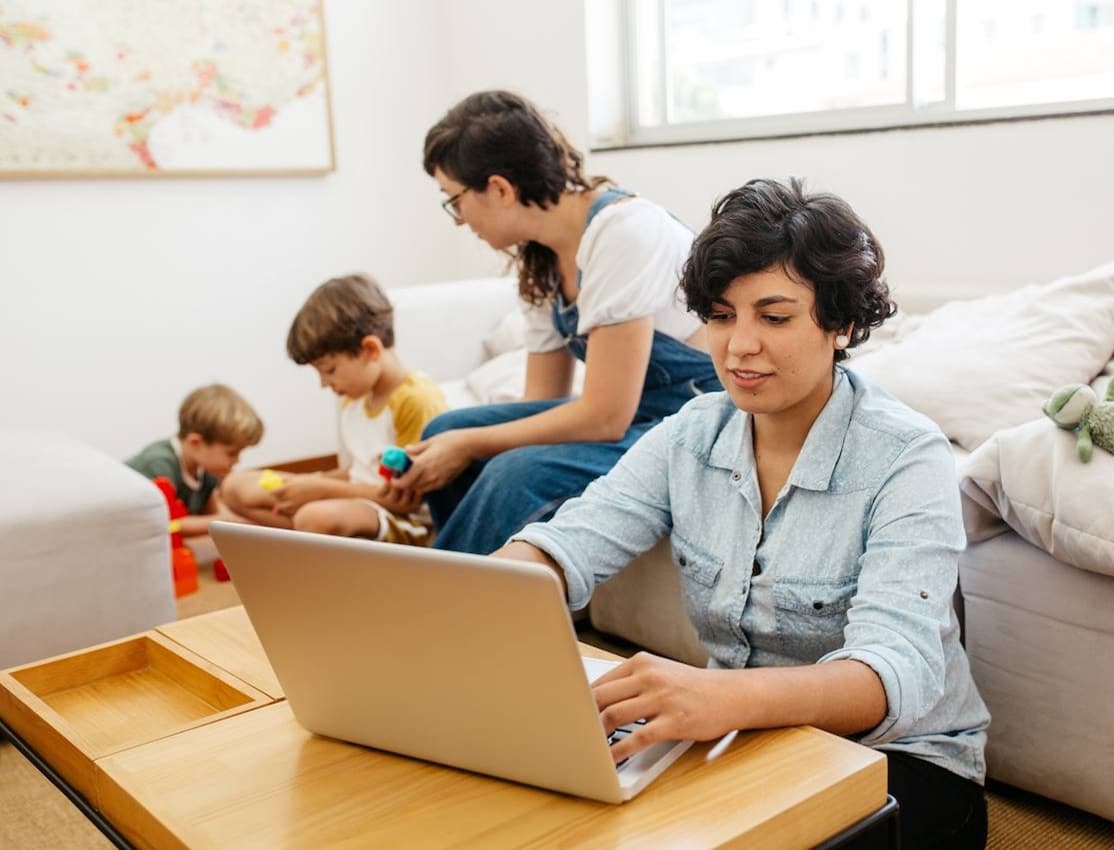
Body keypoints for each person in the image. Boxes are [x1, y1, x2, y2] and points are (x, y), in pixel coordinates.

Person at [494, 179, 990, 850]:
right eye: (723, 316)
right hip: (745, 739)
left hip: (905, 764)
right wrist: (499, 586)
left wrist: (714, 698)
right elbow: (573, 541)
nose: (738, 346)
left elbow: (887, 675)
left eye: (774, 317)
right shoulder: (692, 432)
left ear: (840, 324)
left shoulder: (907, 456)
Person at [387, 90, 720, 554]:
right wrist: (452, 447)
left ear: (500, 189)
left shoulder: (623, 230)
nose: (458, 220)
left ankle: (443, 608)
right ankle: (482, 590)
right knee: (442, 432)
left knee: (513, 474)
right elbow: (544, 402)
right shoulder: (540, 258)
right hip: (632, 417)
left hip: (693, 419)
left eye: (454, 200)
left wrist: (471, 445)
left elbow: (605, 416)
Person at [221, 274, 447, 546]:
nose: (324, 383)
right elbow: (360, 468)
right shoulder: (356, 398)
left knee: (314, 518)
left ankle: (314, 536)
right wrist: (310, 482)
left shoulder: (415, 400)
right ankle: (317, 541)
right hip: (355, 497)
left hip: (404, 519)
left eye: (329, 370)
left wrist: (319, 489)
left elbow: (410, 500)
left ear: (370, 349)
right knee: (236, 487)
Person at [125, 383, 263, 536]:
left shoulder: (205, 467)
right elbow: (164, 524)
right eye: (231, 453)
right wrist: (231, 521)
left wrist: (235, 522)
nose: (237, 461)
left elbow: (214, 513)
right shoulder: (159, 465)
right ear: (195, 443)